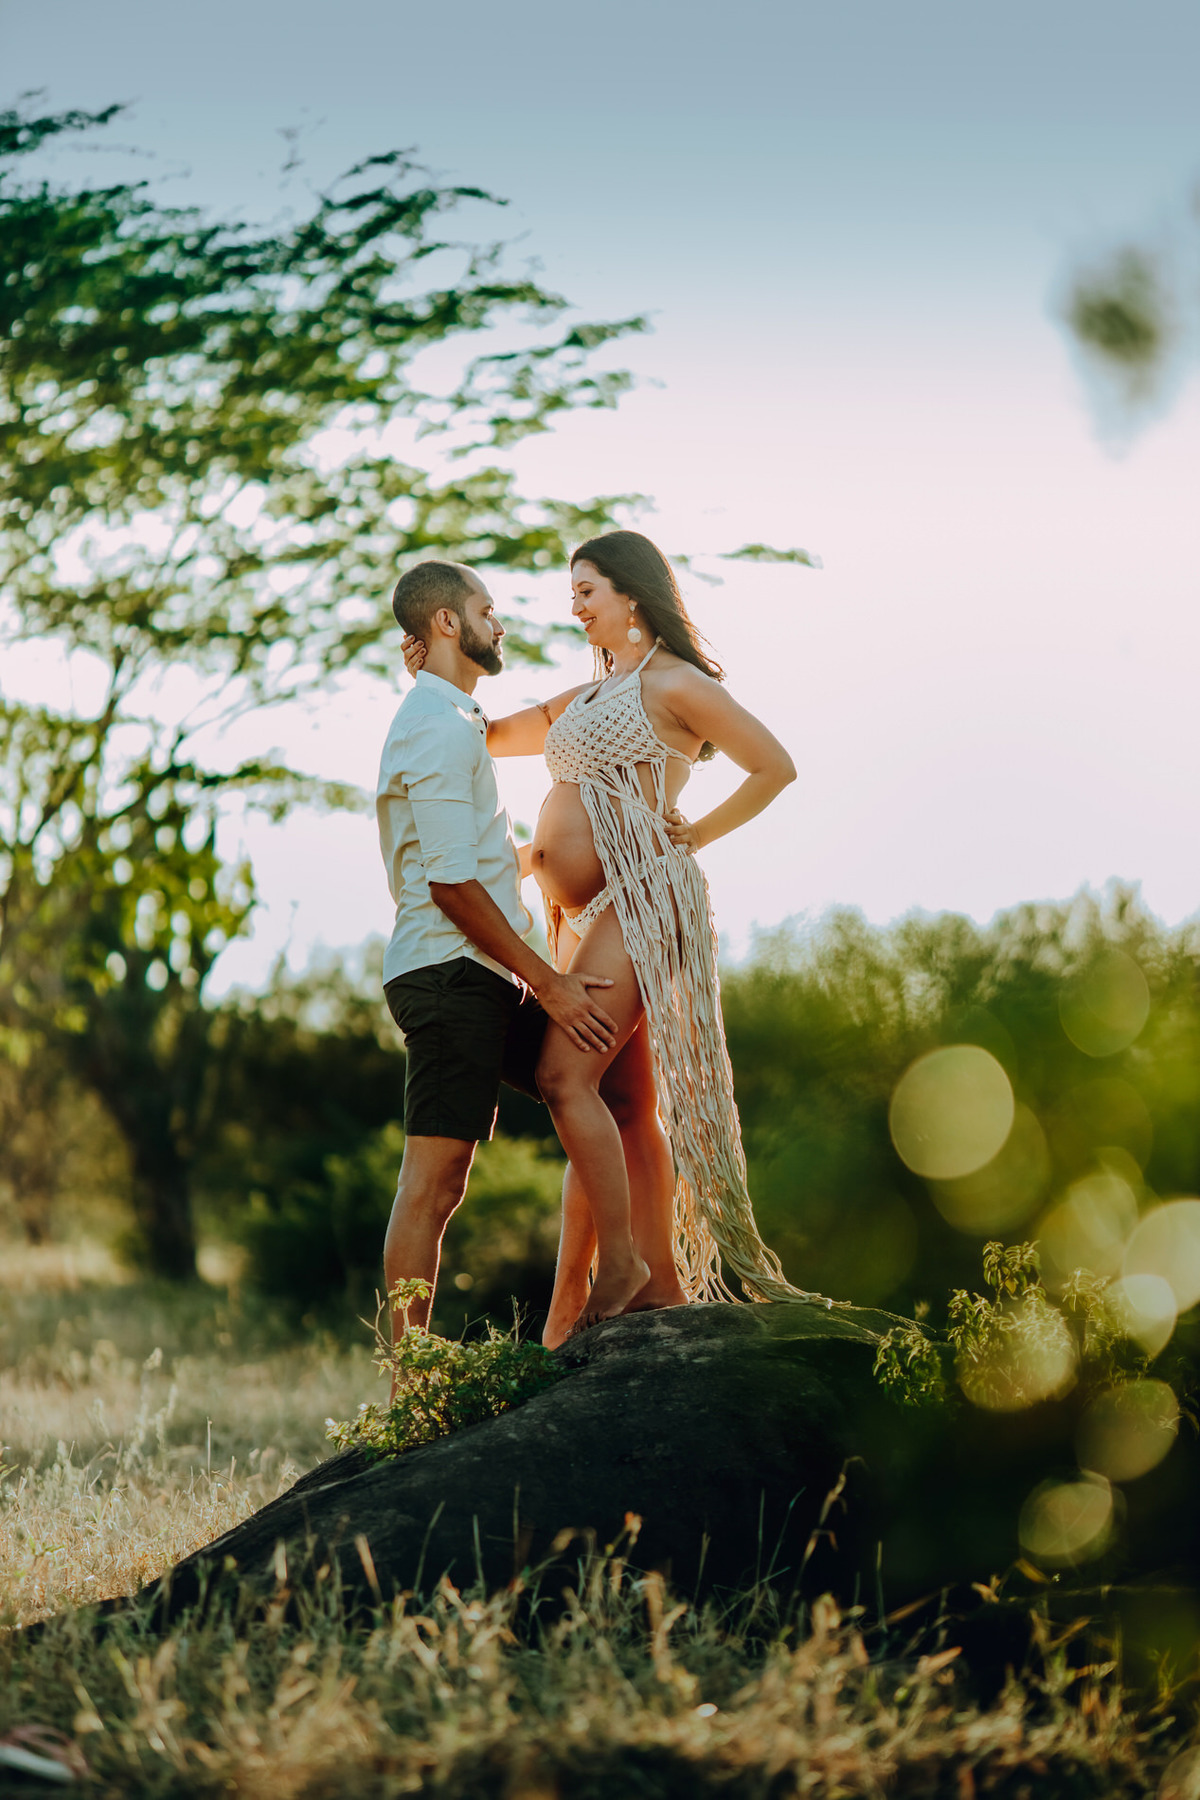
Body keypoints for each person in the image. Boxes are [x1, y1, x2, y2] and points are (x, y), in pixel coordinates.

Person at [403, 531, 820, 1344]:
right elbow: (487, 733)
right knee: (624, 1103)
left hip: (641, 899)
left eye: (586, 589)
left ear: (632, 593)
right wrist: (429, 674)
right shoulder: (590, 694)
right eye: (573, 592)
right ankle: (650, 1284)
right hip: (582, 917)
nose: (575, 605)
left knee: (564, 1075)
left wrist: (693, 834)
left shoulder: (674, 685)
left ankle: (621, 1266)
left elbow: (774, 765)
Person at [377, 559, 682, 1354]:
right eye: (487, 609)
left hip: (481, 970)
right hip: (450, 972)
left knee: (601, 1085)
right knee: (435, 1183)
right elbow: (450, 885)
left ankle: (626, 1269)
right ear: (450, 624)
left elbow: (475, 854)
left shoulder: (452, 718)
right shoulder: (438, 727)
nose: (500, 622)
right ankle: (410, 1385)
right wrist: (548, 981)